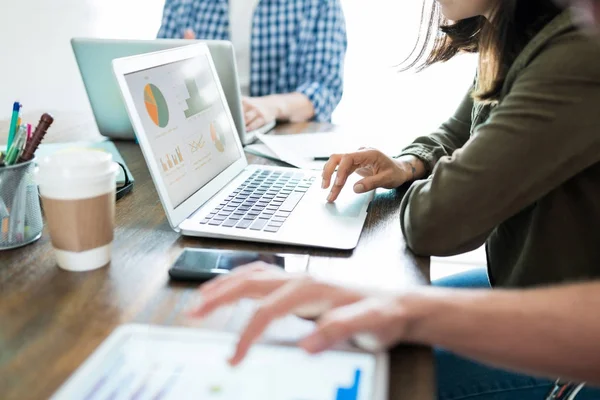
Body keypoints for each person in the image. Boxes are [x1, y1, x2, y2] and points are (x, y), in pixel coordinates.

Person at [184, 0, 600, 398]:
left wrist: (447, 185)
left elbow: (433, 222)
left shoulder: (575, 51)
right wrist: (409, 164)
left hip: (573, 351)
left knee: (336, 367)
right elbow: (460, 131)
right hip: (524, 289)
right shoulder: (520, 34)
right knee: (326, 329)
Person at [157, 0, 347, 132]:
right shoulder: (182, 3)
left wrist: (271, 107)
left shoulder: (319, 3)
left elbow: (325, 88)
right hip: (204, 132)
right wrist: (179, 66)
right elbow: (158, 72)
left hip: (282, 135)